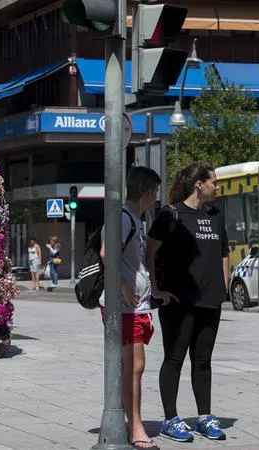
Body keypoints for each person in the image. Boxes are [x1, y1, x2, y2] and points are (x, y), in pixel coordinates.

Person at [147, 162, 229, 443]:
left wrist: (224, 286)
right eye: (214, 182)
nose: (216, 186)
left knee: (203, 360)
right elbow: (150, 251)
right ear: (199, 184)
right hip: (178, 300)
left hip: (211, 300)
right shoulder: (171, 214)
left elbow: (223, 251)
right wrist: (156, 289)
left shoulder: (216, 215)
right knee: (174, 359)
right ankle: (170, 420)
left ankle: (204, 417)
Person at [99, 167, 162, 450]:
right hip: (124, 307)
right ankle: (135, 428)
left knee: (132, 367)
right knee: (134, 367)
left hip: (134, 306)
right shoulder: (124, 218)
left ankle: (131, 423)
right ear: (147, 192)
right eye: (155, 192)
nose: (156, 198)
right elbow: (106, 252)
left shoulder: (136, 219)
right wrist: (123, 288)